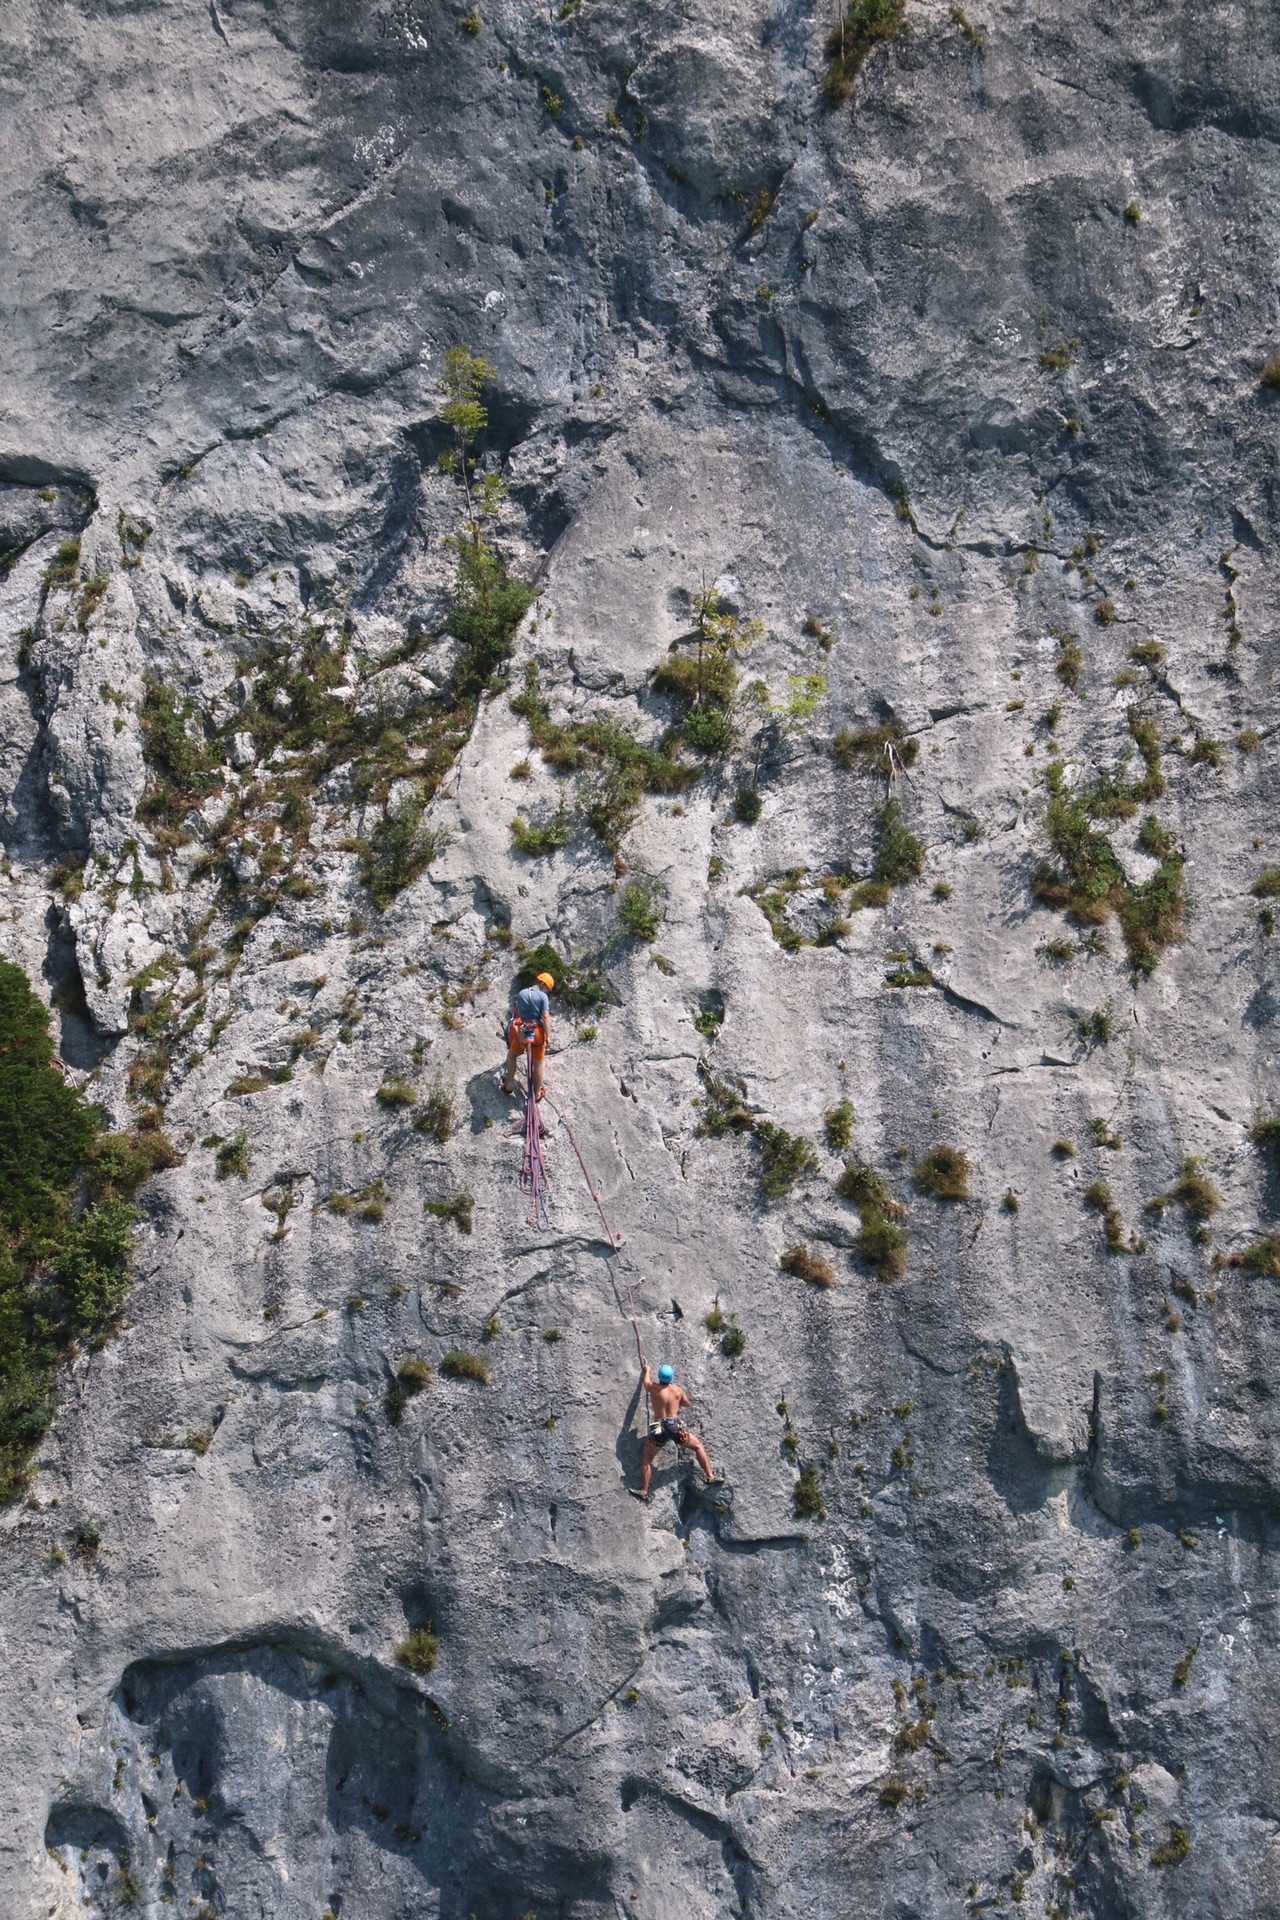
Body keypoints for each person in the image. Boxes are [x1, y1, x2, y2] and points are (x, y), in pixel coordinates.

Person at [630, 1362, 721, 1500]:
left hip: (658, 1426)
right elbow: (687, 1403)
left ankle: (644, 1491)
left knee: (646, 1460)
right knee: (697, 1447)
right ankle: (710, 1476)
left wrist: (647, 1370)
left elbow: (646, 1383)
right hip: (674, 1426)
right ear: (671, 1377)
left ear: (659, 1376)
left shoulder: (654, 1388)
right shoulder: (678, 1391)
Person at [500, 971, 554, 1101]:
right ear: (542, 983)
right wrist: (548, 1036)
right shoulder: (542, 997)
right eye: (547, 988)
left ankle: (509, 1084)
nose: (546, 992)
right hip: (538, 1033)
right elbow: (545, 1017)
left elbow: (518, 1014)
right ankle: (536, 1094)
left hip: (523, 1031)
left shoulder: (522, 993)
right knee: (538, 1063)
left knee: (512, 1055)